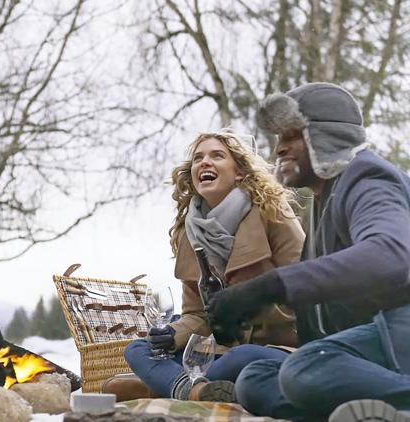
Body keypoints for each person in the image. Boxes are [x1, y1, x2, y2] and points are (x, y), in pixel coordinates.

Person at [206, 82, 410, 422]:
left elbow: (388, 257)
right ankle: (401, 413)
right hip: (400, 340)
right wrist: (246, 312)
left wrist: (268, 286)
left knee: (306, 369)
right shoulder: (321, 205)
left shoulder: (367, 176)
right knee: (255, 379)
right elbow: (320, 318)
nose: (279, 150)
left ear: (325, 135)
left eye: (291, 136)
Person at [121, 131, 305, 402]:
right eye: (198, 158)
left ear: (240, 172)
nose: (204, 162)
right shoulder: (188, 232)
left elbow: (306, 284)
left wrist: (247, 305)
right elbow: (197, 314)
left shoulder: (272, 212)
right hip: (218, 349)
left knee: (241, 358)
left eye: (217, 156)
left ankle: (172, 384)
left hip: (275, 346)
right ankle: (195, 391)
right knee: (138, 349)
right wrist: (173, 334)